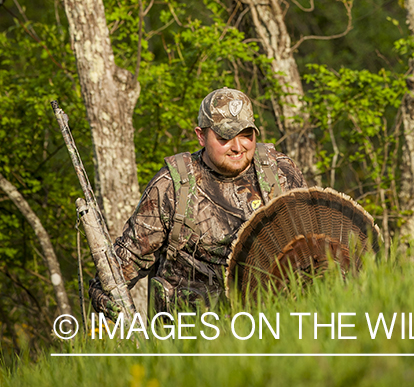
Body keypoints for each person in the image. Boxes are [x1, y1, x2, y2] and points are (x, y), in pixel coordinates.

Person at [90, 88, 306, 314]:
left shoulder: (278, 172)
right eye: (224, 137)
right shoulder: (174, 186)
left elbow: (313, 245)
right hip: (194, 333)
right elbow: (122, 267)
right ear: (201, 136)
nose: (238, 146)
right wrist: (111, 303)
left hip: (271, 325)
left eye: (246, 135)